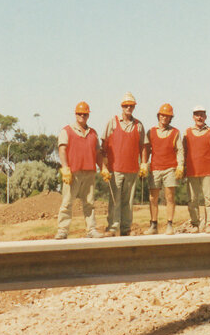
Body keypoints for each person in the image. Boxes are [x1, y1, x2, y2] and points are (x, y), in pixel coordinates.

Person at [55, 101, 104, 240]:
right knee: (67, 202)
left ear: (88, 115)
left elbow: (98, 153)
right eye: (80, 114)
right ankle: (62, 230)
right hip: (73, 173)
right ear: (75, 114)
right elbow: (62, 149)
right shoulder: (67, 130)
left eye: (85, 114)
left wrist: (104, 168)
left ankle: (91, 229)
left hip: (89, 172)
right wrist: (65, 168)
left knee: (89, 203)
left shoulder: (93, 133)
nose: (82, 116)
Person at [101, 92, 148, 236]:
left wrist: (144, 163)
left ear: (134, 107)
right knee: (115, 200)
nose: (129, 108)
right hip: (115, 169)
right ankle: (113, 227)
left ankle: (126, 228)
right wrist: (104, 166)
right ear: (122, 107)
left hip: (132, 169)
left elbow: (143, 146)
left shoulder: (138, 125)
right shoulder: (113, 122)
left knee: (128, 201)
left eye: (131, 106)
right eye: (126, 105)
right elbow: (104, 144)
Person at [183, 105, 210, 233]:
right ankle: (195, 224)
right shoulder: (187, 132)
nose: (199, 117)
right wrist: (182, 167)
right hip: (192, 171)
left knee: (209, 199)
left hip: (207, 170)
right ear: (193, 117)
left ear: (205, 116)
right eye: (197, 114)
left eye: (201, 114)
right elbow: (183, 152)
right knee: (192, 200)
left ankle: (209, 224)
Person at [146, 103, 184, 235]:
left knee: (170, 197)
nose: (164, 118)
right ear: (158, 116)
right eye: (162, 115)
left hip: (170, 168)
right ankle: (153, 225)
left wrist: (180, 165)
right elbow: (146, 149)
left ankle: (169, 224)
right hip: (155, 167)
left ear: (170, 118)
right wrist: (144, 164)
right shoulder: (151, 132)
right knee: (153, 198)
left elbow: (180, 150)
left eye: (167, 116)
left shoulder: (175, 133)